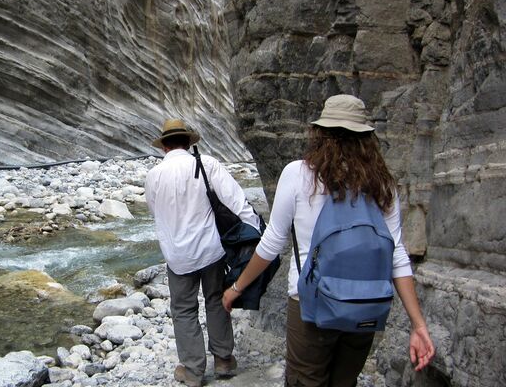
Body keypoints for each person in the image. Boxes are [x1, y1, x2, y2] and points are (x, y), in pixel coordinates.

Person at [221, 94, 435, 386]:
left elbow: (272, 243)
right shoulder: (383, 184)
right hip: (365, 305)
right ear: (366, 138)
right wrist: (418, 324)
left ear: (320, 133)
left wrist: (236, 287)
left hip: (311, 304)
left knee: (306, 381)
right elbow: (396, 255)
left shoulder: (298, 174)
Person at [145, 118, 262, 387]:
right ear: (188, 143)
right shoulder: (206, 164)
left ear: (164, 146)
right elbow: (236, 200)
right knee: (216, 300)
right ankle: (223, 360)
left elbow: (155, 210)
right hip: (211, 250)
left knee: (184, 309)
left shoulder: (154, 175)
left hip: (177, 255)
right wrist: (256, 229)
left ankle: (193, 371)